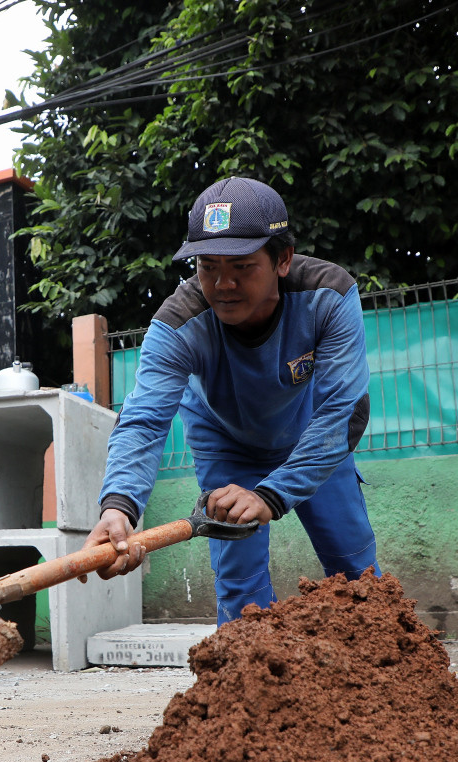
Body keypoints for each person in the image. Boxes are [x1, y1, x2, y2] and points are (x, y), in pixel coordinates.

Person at [83, 176, 377, 625]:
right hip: (227, 444)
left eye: (241, 266)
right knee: (242, 592)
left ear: (282, 260)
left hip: (313, 437)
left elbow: (345, 410)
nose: (223, 283)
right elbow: (143, 420)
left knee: (356, 571)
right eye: (208, 265)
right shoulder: (178, 323)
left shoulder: (328, 295)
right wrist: (118, 506)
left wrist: (272, 495)